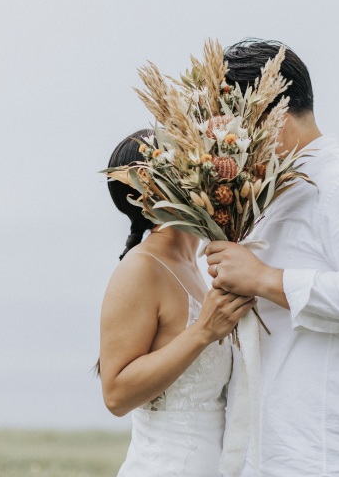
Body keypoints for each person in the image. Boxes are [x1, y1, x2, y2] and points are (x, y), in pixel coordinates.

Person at [206, 39, 339, 476]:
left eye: (228, 131)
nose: (221, 149)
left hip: (337, 456)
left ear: (270, 117)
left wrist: (265, 279)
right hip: (273, 455)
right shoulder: (268, 198)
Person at [99, 129, 256, 476]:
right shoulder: (140, 268)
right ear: (153, 189)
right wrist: (203, 331)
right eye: (185, 162)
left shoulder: (201, 268)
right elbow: (115, 395)